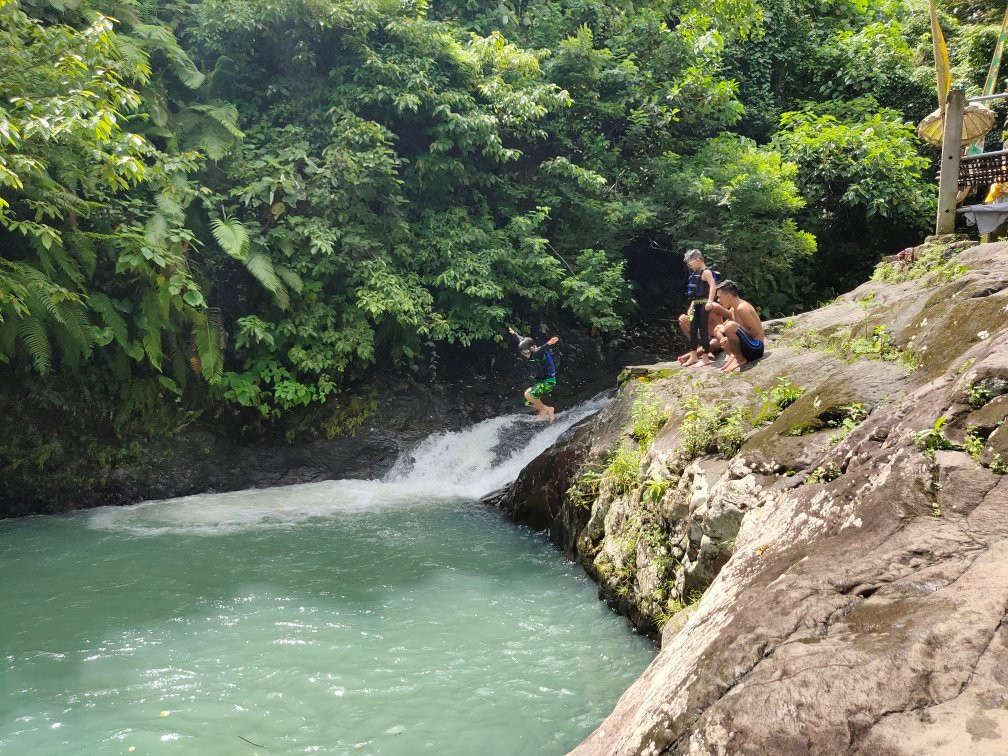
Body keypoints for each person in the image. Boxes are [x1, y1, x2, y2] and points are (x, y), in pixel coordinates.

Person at [707, 280, 764, 373]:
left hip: (756, 348)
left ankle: (740, 359)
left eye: (719, 297)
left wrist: (730, 334)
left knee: (729, 326)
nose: (718, 300)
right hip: (746, 347)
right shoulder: (733, 309)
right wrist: (724, 334)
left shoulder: (742, 308)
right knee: (718, 328)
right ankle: (733, 356)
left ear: (728, 296)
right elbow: (726, 329)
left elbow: (755, 332)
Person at [507, 326, 560, 422]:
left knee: (528, 394)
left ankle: (544, 409)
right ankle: (549, 411)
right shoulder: (530, 349)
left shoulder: (537, 353)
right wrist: (514, 333)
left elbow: (543, 349)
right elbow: (521, 339)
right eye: (523, 352)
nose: (524, 353)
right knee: (527, 402)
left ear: (532, 348)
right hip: (540, 381)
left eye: (525, 351)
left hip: (549, 381)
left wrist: (549, 343)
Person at [679, 249, 717, 367]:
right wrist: (691, 305)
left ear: (699, 260)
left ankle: (705, 357)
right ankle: (694, 356)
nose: (689, 266)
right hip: (696, 304)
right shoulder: (694, 274)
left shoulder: (706, 272)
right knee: (693, 330)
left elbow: (712, 286)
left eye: (690, 263)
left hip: (704, 304)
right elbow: (694, 293)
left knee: (703, 330)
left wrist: (710, 301)